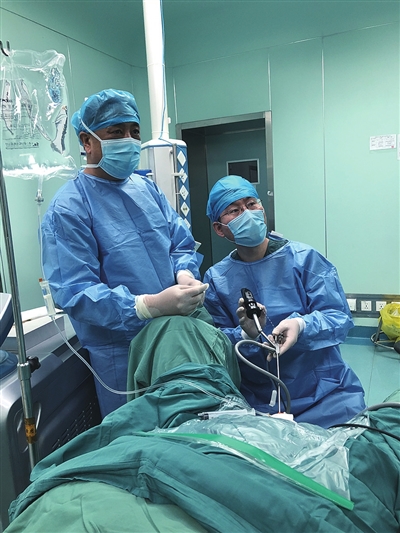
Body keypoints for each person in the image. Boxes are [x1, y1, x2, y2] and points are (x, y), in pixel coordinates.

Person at [40, 89, 208, 417]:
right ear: (87, 141)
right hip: (122, 353)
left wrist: (184, 272)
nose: (129, 141)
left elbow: (179, 242)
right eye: (116, 132)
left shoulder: (146, 189)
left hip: (173, 336)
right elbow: (75, 291)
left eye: (134, 132)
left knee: (186, 423)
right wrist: (147, 306)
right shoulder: (69, 208)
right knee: (138, 433)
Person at [203, 174, 366, 428]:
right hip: (257, 400)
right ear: (219, 229)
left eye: (251, 204)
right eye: (234, 210)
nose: (247, 214)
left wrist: (301, 326)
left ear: (262, 210)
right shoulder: (216, 279)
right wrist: (246, 334)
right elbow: (214, 345)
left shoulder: (304, 259)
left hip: (325, 393)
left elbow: (339, 318)